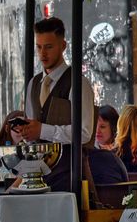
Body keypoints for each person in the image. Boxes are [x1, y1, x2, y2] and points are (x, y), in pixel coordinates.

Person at [21, 17, 95, 148]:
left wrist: (43, 131)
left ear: (63, 46)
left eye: (49, 47)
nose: (42, 53)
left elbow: (84, 132)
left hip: (71, 167)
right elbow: (31, 130)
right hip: (38, 166)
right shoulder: (33, 84)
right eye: (39, 47)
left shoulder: (79, 83)